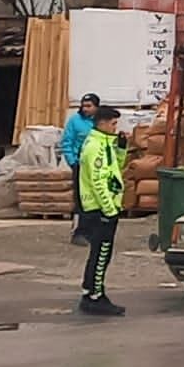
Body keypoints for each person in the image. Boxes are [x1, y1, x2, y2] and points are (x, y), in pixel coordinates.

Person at [77, 105, 127, 316]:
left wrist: (122, 149)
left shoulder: (105, 143)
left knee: (101, 254)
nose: (116, 128)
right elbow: (98, 181)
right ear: (103, 124)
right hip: (99, 209)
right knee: (101, 253)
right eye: (114, 124)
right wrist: (109, 209)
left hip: (105, 206)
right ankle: (94, 296)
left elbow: (114, 170)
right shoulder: (95, 146)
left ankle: (93, 291)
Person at [59, 93, 101, 245]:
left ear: (97, 107)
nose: (85, 109)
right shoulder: (75, 121)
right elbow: (66, 142)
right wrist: (72, 162)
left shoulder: (101, 122)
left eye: (89, 106)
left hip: (97, 166)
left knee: (96, 199)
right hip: (80, 165)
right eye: (84, 105)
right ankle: (79, 232)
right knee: (81, 200)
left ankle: (94, 231)